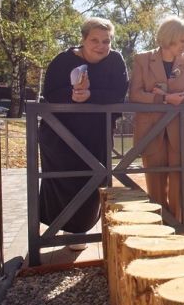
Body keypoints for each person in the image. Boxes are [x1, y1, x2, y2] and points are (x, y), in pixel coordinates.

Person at [39, 17, 128, 250]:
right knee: (64, 180)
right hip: (61, 135)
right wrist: (72, 95)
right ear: (83, 39)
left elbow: (119, 93)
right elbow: (50, 93)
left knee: (94, 179)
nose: (101, 46)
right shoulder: (62, 60)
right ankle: (60, 229)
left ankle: (80, 231)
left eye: (106, 41)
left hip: (97, 132)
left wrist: (91, 95)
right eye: (95, 40)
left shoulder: (116, 60)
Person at [129, 16, 184, 220]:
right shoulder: (142, 59)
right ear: (169, 39)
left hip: (180, 130)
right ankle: (159, 224)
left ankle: (179, 223)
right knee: (155, 180)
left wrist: (182, 97)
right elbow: (135, 94)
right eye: (183, 41)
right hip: (150, 128)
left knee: (181, 178)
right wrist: (164, 98)